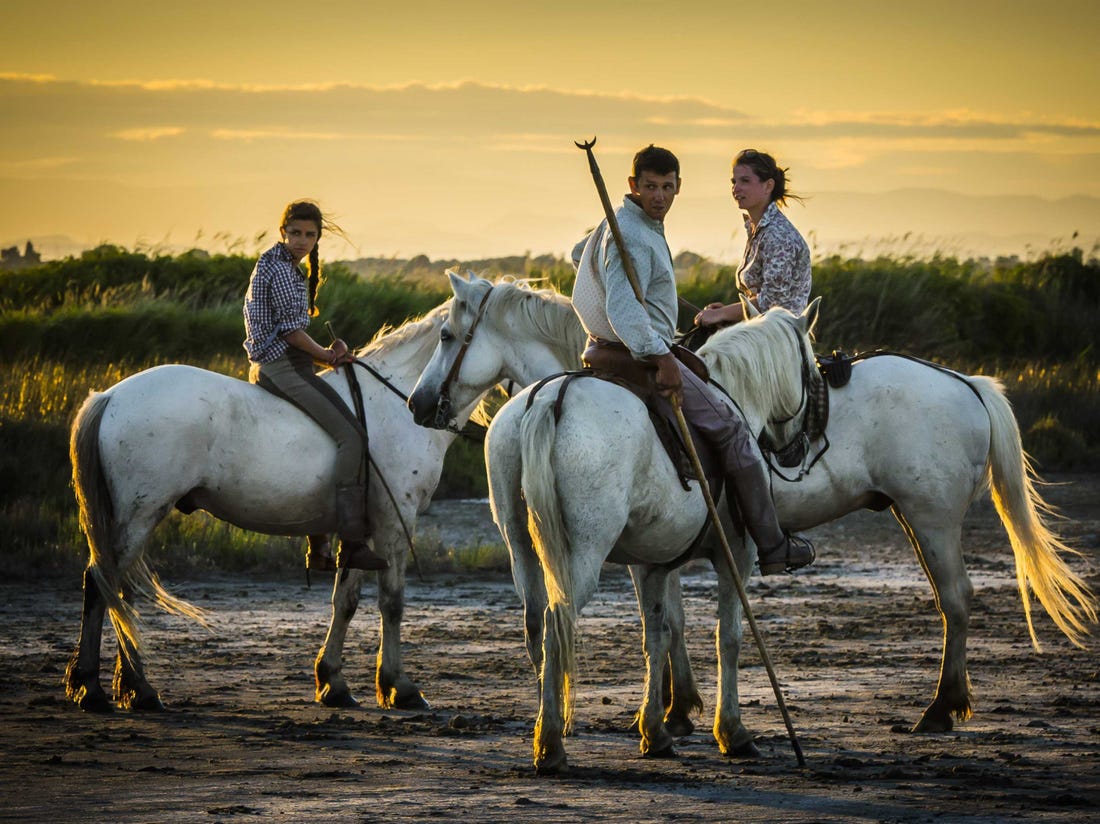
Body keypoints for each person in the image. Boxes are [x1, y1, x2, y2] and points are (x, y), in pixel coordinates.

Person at [571, 145, 813, 575]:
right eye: (650, 187)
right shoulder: (634, 234)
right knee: (733, 429)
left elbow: (577, 255)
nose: (659, 196)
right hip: (639, 353)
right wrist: (661, 356)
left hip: (605, 350)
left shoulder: (621, 224)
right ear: (633, 186)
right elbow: (625, 314)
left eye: (666, 187)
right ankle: (772, 544)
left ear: (678, 187)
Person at [243, 199, 388, 571]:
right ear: (283, 232)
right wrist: (328, 355)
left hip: (282, 364)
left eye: (309, 235)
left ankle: (318, 548)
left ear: (317, 236)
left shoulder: (282, 264)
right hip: (283, 366)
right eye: (295, 233)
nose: (302, 241)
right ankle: (352, 542)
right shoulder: (281, 270)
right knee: (352, 437)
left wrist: (324, 353)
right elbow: (291, 333)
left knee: (321, 434)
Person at [694, 149, 811, 329]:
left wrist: (721, 314)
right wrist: (728, 312)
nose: (736, 188)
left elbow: (772, 303)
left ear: (768, 186)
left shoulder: (778, 235)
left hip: (780, 337)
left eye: (745, 181)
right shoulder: (757, 229)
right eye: (734, 181)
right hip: (759, 331)